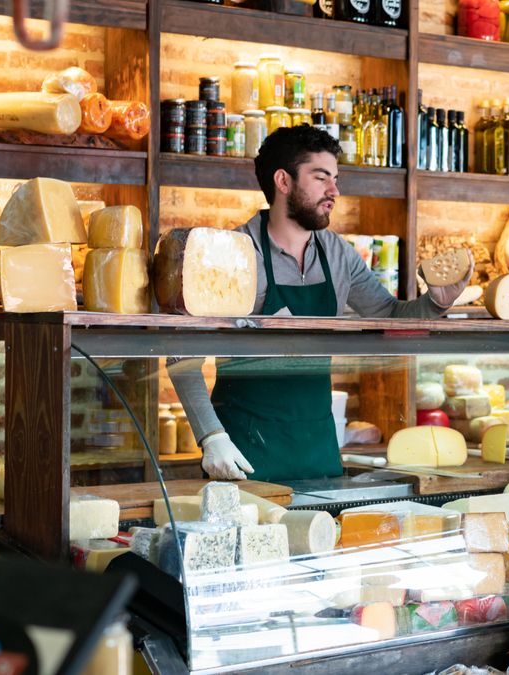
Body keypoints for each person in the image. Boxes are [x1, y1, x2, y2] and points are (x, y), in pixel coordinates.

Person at [170, 125, 471, 483]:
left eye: (336, 179)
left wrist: (435, 303)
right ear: (283, 181)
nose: (334, 191)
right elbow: (181, 353)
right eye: (321, 177)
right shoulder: (233, 252)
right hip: (246, 452)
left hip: (319, 449)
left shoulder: (339, 254)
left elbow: (390, 317)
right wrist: (211, 436)